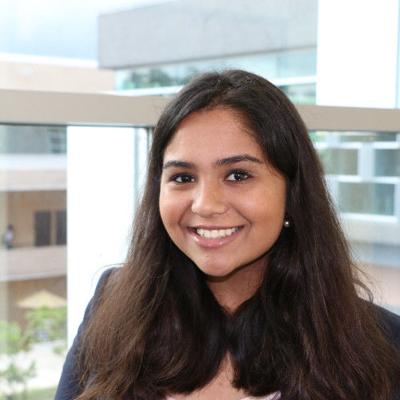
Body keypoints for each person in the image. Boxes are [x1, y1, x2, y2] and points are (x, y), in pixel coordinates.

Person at [55, 70, 400, 400]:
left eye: (238, 175)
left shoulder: (381, 344)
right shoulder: (113, 307)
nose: (205, 205)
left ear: (292, 192)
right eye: (183, 177)